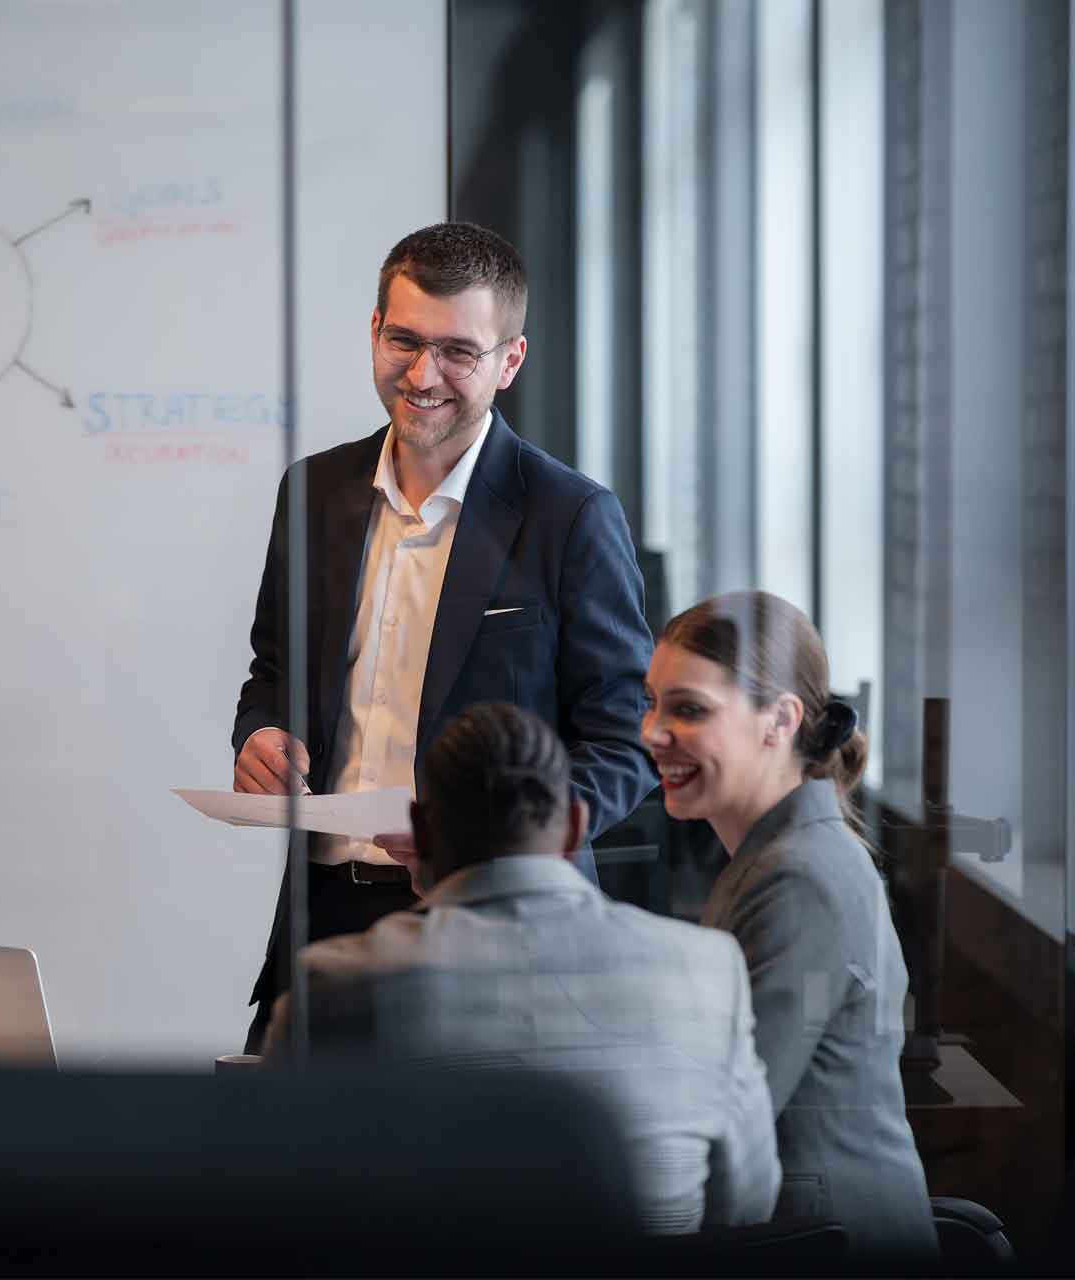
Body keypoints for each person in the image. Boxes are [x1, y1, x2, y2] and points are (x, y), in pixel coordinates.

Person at [232, 222, 653, 1052]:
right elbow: (274, 668)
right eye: (405, 341)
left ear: (510, 361)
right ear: (375, 332)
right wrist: (261, 733)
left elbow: (625, 742)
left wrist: (500, 840)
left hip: (498, 930)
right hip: (323, 917)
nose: (423, 375)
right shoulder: (313, 491)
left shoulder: (571, 516)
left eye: (459, 351)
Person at [258, 703, 779, 1236]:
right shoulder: (709, 970)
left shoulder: (335, 986)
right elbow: (748, 1207)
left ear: (420, 832)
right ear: (576, 826)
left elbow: (275, 1202)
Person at [643, 591, 936, 1259]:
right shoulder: (776, 856)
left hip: (822, 1241)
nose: (652, 732)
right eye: (652, 703)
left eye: (688, 709)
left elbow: (728, 1115)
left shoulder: (797, 877)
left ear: (779, 720)